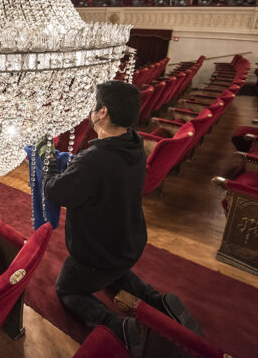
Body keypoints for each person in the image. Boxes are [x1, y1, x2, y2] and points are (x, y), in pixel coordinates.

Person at [44, 81, 200, 356]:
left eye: (94, 104)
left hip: (95, 254)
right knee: (115, 273)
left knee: (67, 289)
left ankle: (116, 326)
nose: (91, 109)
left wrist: (49, 160)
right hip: (128, 243)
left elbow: (57, 191)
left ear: (102, 112)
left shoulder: (95, 159)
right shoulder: (134, 143)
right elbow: (95, 180)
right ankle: (159, 302)